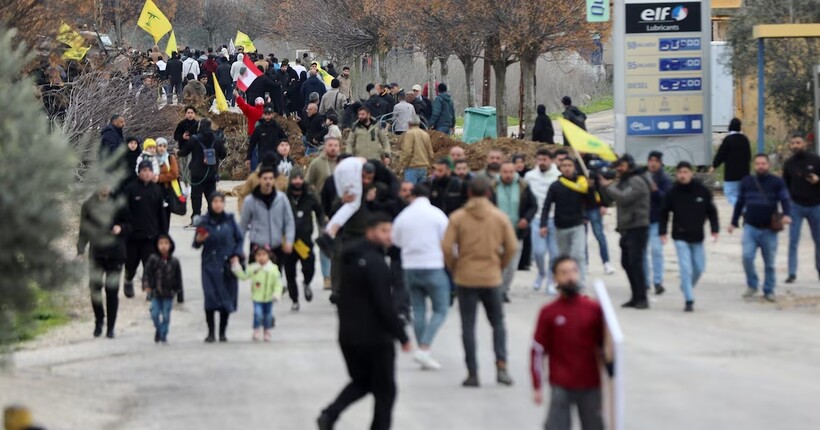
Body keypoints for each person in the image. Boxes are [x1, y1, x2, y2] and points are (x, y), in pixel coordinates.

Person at [317, 214, 411, 430]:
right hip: (375, 338)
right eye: (384, 231)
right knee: (386, 390)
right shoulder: (375, 263)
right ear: (370, 232)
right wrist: (402, 335)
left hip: (348, 336)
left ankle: (329, 415)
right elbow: (384, 304)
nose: (389, 236)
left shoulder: (349, 258)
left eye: (391, 231)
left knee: (363, 382)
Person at [443, 177, 518, 387]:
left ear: (468, 193)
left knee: (468, 325)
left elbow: (447, 247)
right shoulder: (499, 217)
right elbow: (511, 247)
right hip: (491, 276)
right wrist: (499, 265)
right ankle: (501, 367)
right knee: (497, 323)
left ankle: (472, 372)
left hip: (466, 276)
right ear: (488, 193)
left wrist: (455, 266)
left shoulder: (458, 217)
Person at [531, 256, 606, 430]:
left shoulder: (594, 309)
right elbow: (537, 350)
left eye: (573, 271)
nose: (570, 277)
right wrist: (537, 385)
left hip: (591, 383)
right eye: (564, 273)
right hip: (561, 384)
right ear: (555, 278)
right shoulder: (549, 312)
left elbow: (607, 347)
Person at [392, 184, 450, 370]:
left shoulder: (404, 216)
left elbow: (396, 240)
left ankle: (422, 350)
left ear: (413, 196)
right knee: (441, 308)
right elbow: (447, 240)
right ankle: (424, 348)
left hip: (410, 266)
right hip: (433, 265)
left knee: (417, 309)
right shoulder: (437, 214)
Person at [730, 154, 792, 302]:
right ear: (754, 166)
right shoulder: (747, 182)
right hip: (750, 227)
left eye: (763, 163)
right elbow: (739, 203)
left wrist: (787, 215)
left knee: (769, 263)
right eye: (758, 164)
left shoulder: (776, 182)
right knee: (747, 257)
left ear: (768, 165)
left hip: (769, 230)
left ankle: (769, 290)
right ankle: (752, 284)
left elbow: (785, 199)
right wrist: (733, 222)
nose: (760, 166)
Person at [659, 162, 719, 312]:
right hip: (680, 236)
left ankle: (686, 286)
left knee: (699, 267)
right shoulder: (672, 192)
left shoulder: (702, 191)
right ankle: (689, 299)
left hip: (698, 236)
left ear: (691, 173)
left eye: (685, 172)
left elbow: (711, 211)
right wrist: (662, 231)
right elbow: (664, 212)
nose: (682, 175)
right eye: (680, 172)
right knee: (685, 268)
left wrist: (714, 229)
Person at [599, 154, 652, 309]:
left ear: (629, 165)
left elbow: (623, 198)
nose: (618, 169)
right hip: (627, 228)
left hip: (637, 226)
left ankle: (642, 298)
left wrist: (608, 185)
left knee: (635, 263)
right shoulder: (625, 181)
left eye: (621, 166)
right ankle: (635, 297)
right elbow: (612, 198)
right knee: (627, 262)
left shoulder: (636, 180)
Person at [78, 187, 130, 338]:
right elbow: (84, 229)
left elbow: (130, 224)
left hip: (116, 252)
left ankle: (111, 327)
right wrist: (80, 249)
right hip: (97, 253)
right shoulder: (88, 205)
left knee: (112, 290)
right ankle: (99, 320)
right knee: (95, 289)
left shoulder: (119, 203)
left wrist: (121, 228)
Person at [194, 192, 244, 342]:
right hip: (209, 265)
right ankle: (210, 332)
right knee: (210, 297)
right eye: (215, 201)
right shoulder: (204, 222)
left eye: (220, 201)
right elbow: (196, 244)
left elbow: (239, 240)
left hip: (227, 264)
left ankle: (222, 331)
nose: (217, 204)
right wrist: (199, 239)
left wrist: (236, 254)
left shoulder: (230, 221)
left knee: (226, 297)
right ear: (210, 203)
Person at [123, 161, 168, 302]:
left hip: (151, 236)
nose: (147, 173)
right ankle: (128, 280)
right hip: (133, 236)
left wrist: (163, 234)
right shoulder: (130, 189)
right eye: (144, 170)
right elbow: (123, 212)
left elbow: (162, 214)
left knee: (149, 265)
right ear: (139, 172)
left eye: (149, 170)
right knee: (131, 264)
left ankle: (150, 289)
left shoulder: (156, 190)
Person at [493, 161, 537, 302]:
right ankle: (496, 291)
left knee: (511, 267)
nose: (508, 175)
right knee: (497, 264)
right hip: (496, 234)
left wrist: (526, 219)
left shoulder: (522, 186)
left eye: (511, 172)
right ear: (500, 172)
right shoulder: (492, 186)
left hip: (516, 233)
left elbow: (533, 206)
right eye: (505, 172)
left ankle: (504, 290)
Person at [541, 157, 589, 286]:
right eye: (564, 166)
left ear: (574, 167)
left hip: (578, 225)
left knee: (578, 255)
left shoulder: (582, 184)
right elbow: (546, 206)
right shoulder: (556, 185)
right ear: (560, 168)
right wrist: (543, 224)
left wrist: (592, 188)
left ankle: (580, 283)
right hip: (560, 226)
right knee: (564, 257)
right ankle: (564, 282)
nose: (567, 168)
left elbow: (592, 201)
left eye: (570, 165)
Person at [239, 166, 295, 273]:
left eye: (270, 178)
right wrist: (239, 247)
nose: (268, 181)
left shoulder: (282, 199)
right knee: (258, 283)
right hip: (257, 246)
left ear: (274, 180)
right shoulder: (250, 201)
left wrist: (289, 240)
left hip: (277, 246)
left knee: (276, 282)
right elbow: (243, 225)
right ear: (259, 180)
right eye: (265, 178)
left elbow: (289, 221)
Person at [782, 133, 820, 283]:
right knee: (793, 240)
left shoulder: (815, 160)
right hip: (796, 206)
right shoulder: (789, 163)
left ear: (804, 144)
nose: (795, 146)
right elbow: (784, 186)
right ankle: (792, 273)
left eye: (798, 142)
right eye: (793, 143)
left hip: (815, 206)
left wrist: (818, 180)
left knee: (818, 240)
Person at [284, 168, 324, 309]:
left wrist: (324, 225)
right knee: (290, 273)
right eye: (295, 179)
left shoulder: (309, 196)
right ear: (291, 181)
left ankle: (307, 282)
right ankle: (294, 300)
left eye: (300, 179)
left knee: (309, 267)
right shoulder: (284, 197)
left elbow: (319, 212)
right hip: (288, 241)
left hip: (304, 241)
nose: (298, 181)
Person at [178, 119, 227, 227]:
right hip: (211, 173)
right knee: (211, 196)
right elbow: (223, 154)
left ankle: (196, 219)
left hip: (197, 174)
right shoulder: (217, 139)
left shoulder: (194, 139)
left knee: (196, 197)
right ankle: (212, 218)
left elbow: (183, 152)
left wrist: (176, 152)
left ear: (200, 126)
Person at [525, 148, 562, 293]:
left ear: (551, 161)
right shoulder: (530, 176)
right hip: (536, 218)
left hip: (554, 218)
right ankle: (541, 273)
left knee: (554, 253)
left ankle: (551, 282)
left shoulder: (558, 176)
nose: (542, 162)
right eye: (539, 159)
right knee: (538, 252)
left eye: (545, 160)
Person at [232, 246, 284, 341]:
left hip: (269, 297)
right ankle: (256, 329)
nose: (261, 257)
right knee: (258, 314)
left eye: (264, 255)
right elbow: (244, 276)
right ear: (255, 257)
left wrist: (277, 293)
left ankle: (266, 330)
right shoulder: (253, 268)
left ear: (268, 256)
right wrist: (236, 268)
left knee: (268, 315)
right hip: (257, 297)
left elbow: (278, 283)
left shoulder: (273, 269)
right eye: (258, 255)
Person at [142, 234, 184, 343]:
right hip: (155, 293)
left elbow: (178, 279)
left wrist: (180, 295)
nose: (163, 246)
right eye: (161, 243)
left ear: (171, 245)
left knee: (166, 316)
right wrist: (147, 286)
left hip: (168, 294)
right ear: (156, 245)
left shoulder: (174, 262)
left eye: (166, 243)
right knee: (154, 314)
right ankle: (159, 330)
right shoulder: (153, 259)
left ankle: (163, 334)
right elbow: (147, 274)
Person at [644, 151, 671, 295]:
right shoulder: (642, 176)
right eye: (651, 160)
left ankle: (658, 282)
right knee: (642, 253)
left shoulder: (664, 179)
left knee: (656, 251)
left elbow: (667, 200)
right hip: (641, 220)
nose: (653, 163)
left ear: (660, 163)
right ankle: (645, 282)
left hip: (657, 221)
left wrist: (655, 191)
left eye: (656, 161)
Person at [711, 118, 752, 207]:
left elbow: (721, 154)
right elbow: (749, 156)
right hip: (745, 174)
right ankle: (744, 209)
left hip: (731, 174)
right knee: (742, 194)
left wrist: (714, 166)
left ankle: (741, 209)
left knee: (729, 193)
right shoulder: (745, 139)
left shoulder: (728, 140)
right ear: (739, 127)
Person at [247, 107, 288, 171]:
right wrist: (248, 158)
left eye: (269, 114)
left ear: (272, 115)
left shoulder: (277, 127)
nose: (267, 116)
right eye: (266, 114)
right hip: (262, 158)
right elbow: (252, 143)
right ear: (263, 115)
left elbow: (285, 139)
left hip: (275, 157)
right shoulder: (259, 128)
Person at [399, 115, 434, 184]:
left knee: (410, 191)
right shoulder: (425, 134)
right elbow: (430, 153)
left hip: (412, 167)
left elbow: (407, 152)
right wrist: (430, 166)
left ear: (409, 123)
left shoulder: (409, 133)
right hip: (423, 168)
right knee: (420, 191)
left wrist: (402, 165)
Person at [156, 138, 180, 232]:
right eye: (160, 146)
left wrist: (158, 178)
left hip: (166, 190)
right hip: (154, 190)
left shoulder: (170, 158)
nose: (162, 148)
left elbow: (174, 174)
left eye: (164, 146)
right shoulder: (152, 158)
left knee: (165, 217)